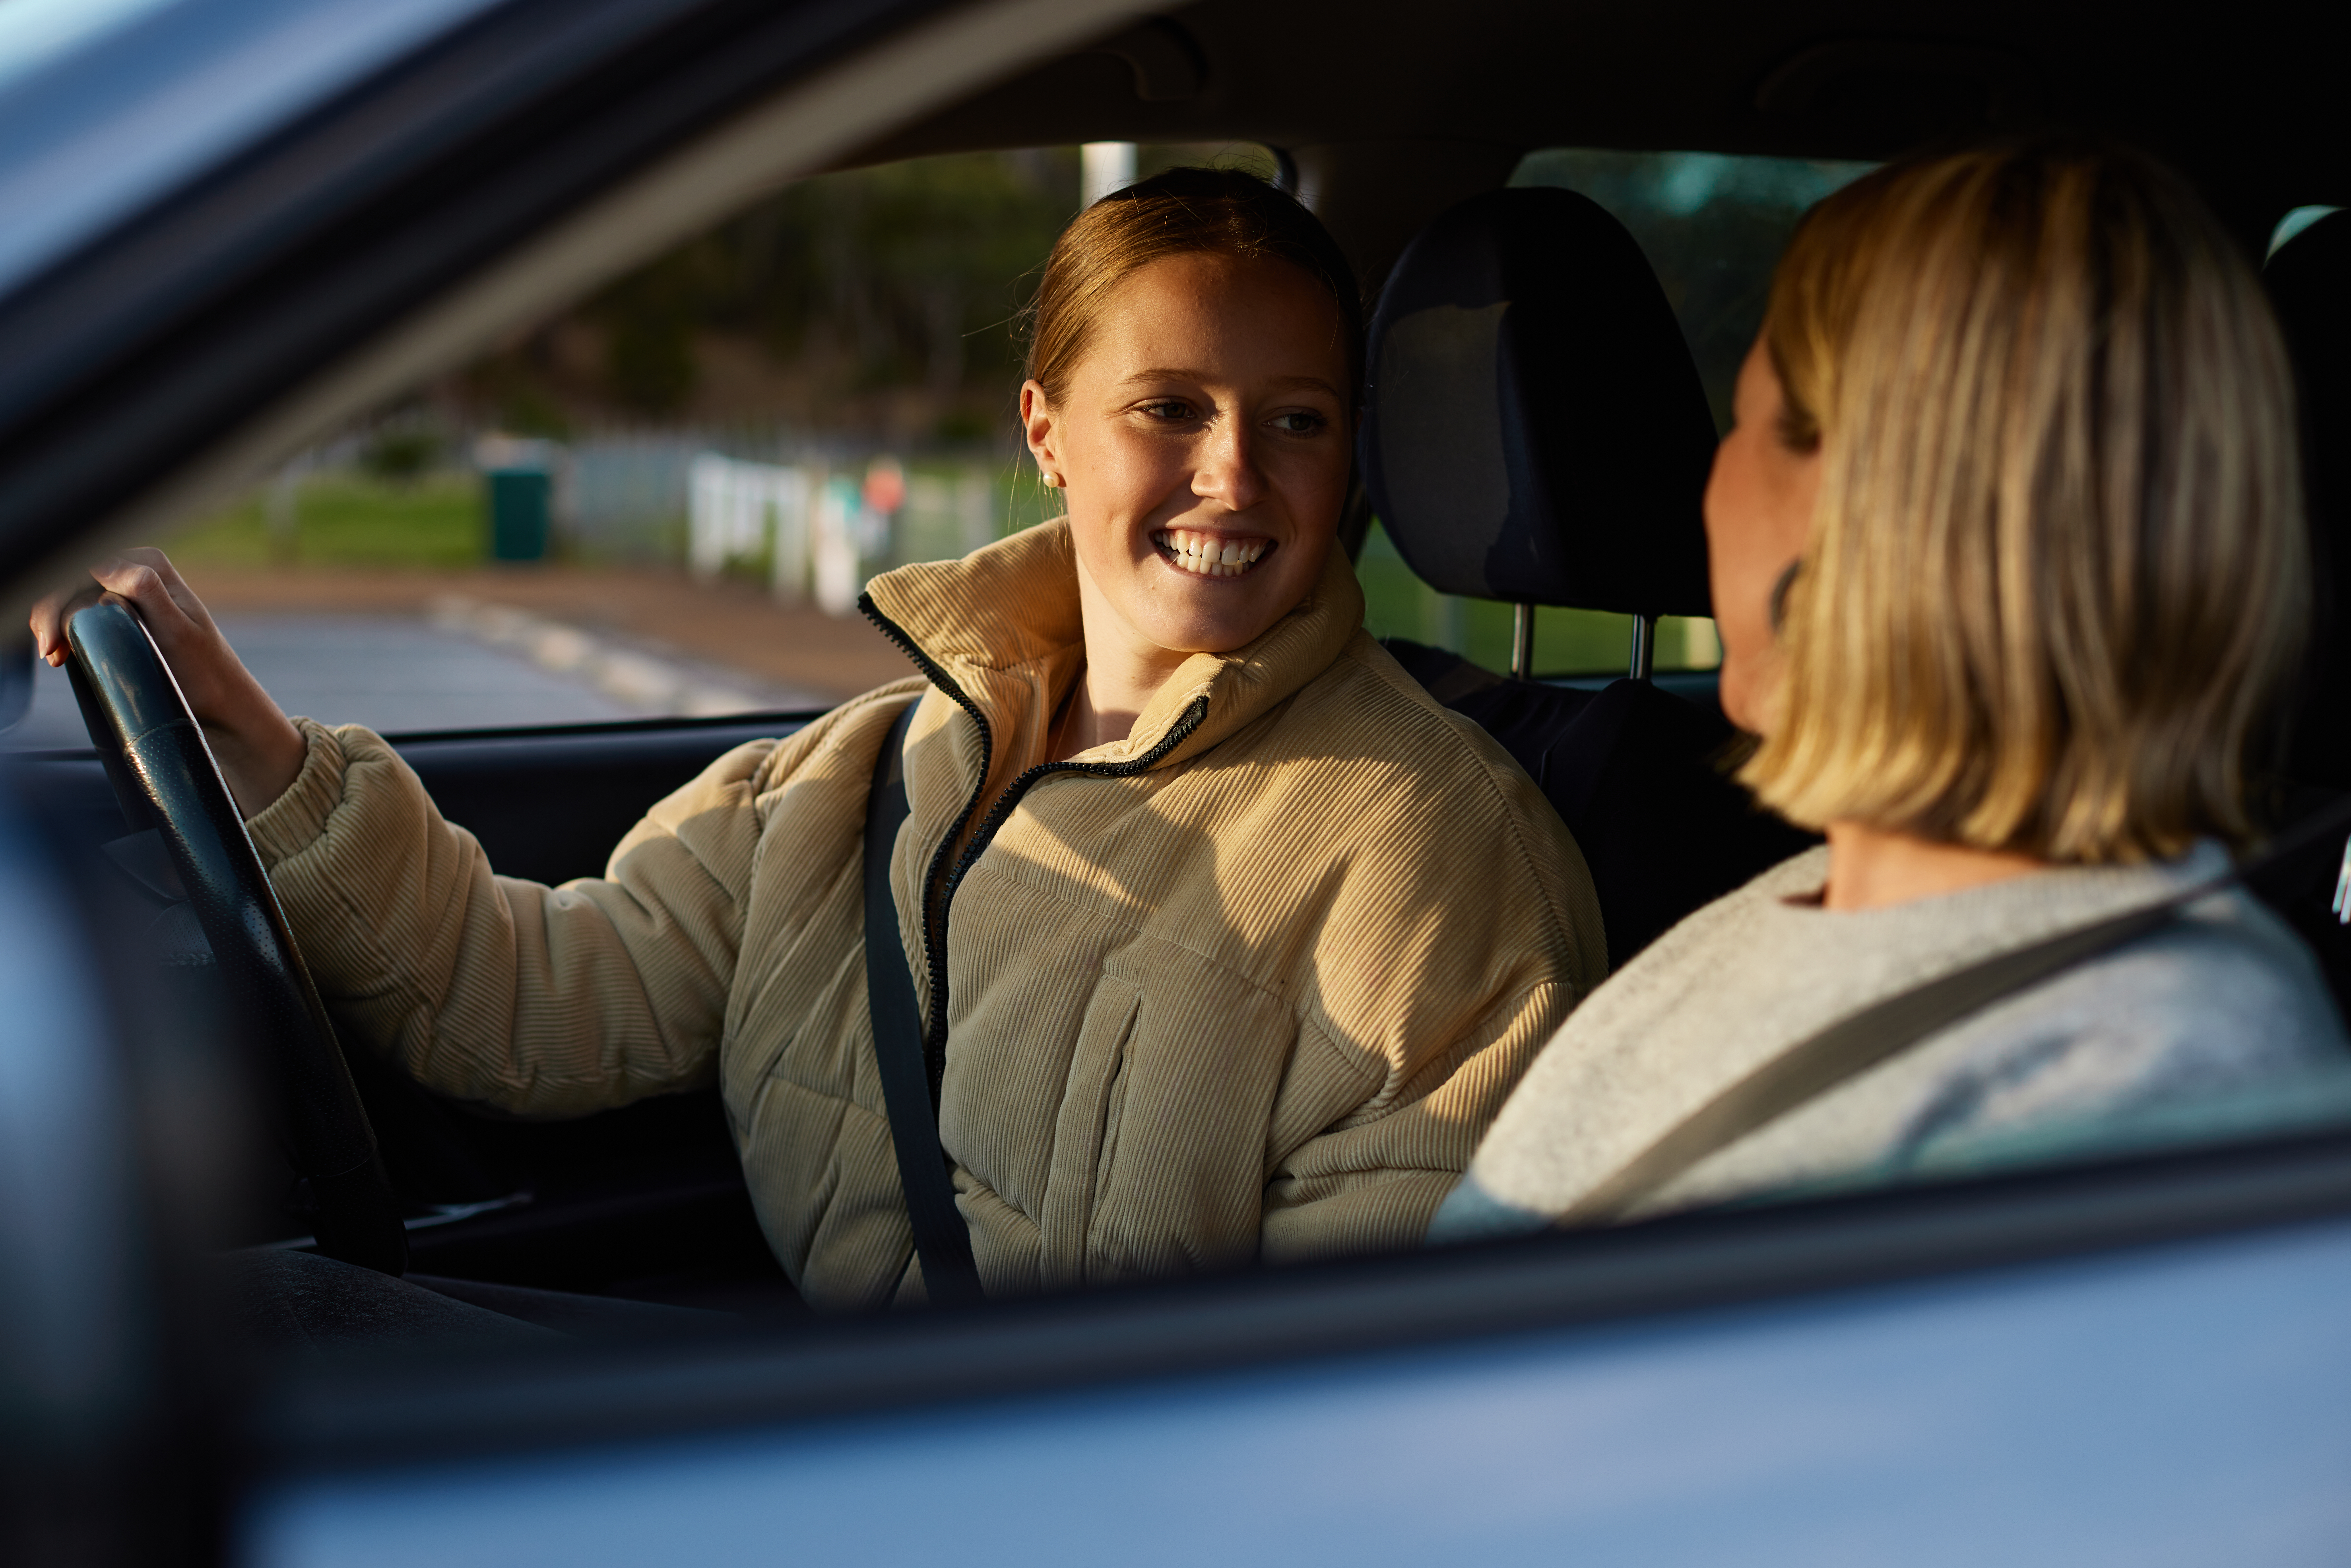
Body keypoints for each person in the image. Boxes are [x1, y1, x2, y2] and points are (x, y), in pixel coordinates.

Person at [36, 167, 1606, 1313]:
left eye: (1299, 420)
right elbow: (529, 1003)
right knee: (298, 1345)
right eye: (1171, 408)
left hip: (1080, 1492)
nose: (1235, 478)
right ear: (1046, 430)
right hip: (858, 1430)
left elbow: (1375, 1375)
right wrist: (251, 740)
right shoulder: (860, 767)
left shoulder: (1439, 848)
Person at [1431, 136, 2350, 1240]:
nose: (1709, 482)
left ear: (1878, 515)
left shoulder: (2165, 1072)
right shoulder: (1788, 911)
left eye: (1749, 422)